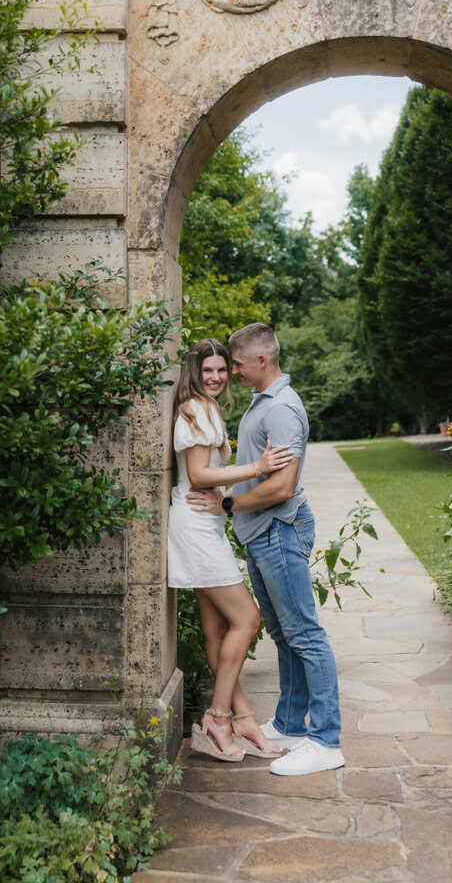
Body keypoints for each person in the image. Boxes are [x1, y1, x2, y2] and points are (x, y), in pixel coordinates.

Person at [187, 323, 344, 777]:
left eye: (236, 363)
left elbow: (282, 485)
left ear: (261, 361)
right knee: (283, 634)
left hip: (279, 529)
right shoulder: (263, 403)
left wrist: (229, 503)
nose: (231, 371)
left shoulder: (282, 410)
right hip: (261, 533)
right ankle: (293, 726)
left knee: (306, 635)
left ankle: (327, 739)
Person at [168, 337, 293, 763]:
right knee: (248, 618)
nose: (218, 377)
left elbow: (205, 476)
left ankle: (243, 719)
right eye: (209, 371)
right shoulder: (198, 409)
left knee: (217, 631)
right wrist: (258, 468)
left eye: (223, 369)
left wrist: (221, 489)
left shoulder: (204, 408)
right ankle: (218, 717)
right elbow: (200, 473)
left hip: (204, 524)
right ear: (195, 373)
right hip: (197, 530)